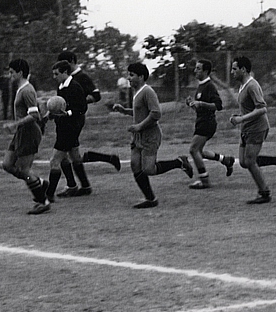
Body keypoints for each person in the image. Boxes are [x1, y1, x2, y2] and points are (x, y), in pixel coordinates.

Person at [112, 62, 193, 208]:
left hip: (150, 136)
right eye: (128, 74)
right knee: (135, 165)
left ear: (141, 76)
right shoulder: (136, 92)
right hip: (138, 137)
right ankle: (151, 199)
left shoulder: (147, 91)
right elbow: (140, 112)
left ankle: (179, 162)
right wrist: (124, 111)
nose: (128, 78)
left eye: (132, 75)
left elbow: (156, 113)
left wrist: (139, 126)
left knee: (149, 169)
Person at [228, 56, 276, 204]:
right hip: (247, 128)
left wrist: (241, 119)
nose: (232, 72)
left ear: (243, 70)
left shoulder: (252, 85)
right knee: (244, 162)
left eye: (234, 69)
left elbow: (262, 108)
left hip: (257, 128)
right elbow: (249, 108)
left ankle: (264, 193)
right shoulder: (243, 85)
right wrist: (239, 117)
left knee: (250, 161)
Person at [56, 51, 122, 182]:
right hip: (66, 119)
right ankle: (87, 182)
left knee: (63, 154)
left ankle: (72, 185)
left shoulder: (82, 77)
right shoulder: (64, 78)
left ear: (71, 62)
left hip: (75, 119)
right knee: (73, 154)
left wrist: (79, 102)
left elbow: (96, 95)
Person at [1, 59, 49, 215]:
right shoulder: (20, 88)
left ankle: (42, 201)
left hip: (29, 132)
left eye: (12, 72)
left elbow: (34, 115)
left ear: (20, 72)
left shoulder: (27, 90)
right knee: (8, 165)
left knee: (24, 169)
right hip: (21, 132)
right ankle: (41, 183)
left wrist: (15, 124)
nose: (10, 75)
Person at [42, 61, 94, 205]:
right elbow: (60, 105)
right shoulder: (62, 86)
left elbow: (82, 108)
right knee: (73, 156)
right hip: (64, 125)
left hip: (70, 127)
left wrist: (68, 113)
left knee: (55, 161)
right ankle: (83, 186)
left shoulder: (75, 87)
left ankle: (49, 195)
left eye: (56, 74)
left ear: (65, 72)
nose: (54, 77)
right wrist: (49, 114)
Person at [186, 59, 235, 189]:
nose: (195, 70)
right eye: (195, 68)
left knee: (193, 150)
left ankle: (204, 180)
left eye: (198, 68)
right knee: (199, 152)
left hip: (207, 123)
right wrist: (192, 104)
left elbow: (218, 106)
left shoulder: (209, 86)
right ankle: (226, 160)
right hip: (201, 122)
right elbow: (199, 108)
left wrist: (201, 103)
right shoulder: (201, 86)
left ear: (206, 71)